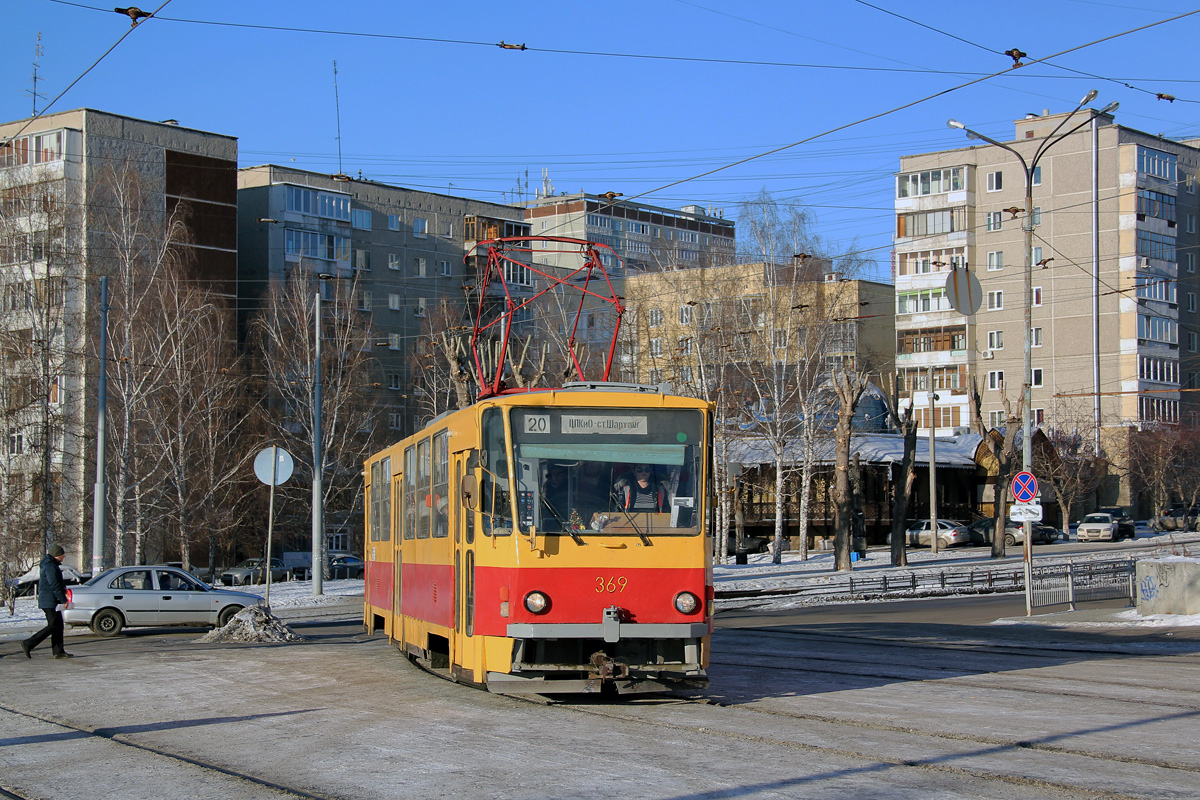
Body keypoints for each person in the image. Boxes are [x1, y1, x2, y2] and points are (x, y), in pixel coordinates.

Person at [21, 545, 73, 659]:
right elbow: (53, 585)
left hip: (51, 600)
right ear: (57, 555)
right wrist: (64, 599)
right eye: (62, 554)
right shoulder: (50, 567)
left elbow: (55, 584)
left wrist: (63, 590)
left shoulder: (51, 565)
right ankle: (28, 643)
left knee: (58, 626)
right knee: (53, 625)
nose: (64, 556)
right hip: (49, 601)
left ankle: (58, 651)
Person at [541, 464, 571, 530]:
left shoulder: (569, 489)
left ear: (564, 476)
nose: (556, 476)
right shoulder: (546, 488)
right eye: (554, 473)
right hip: (548, 522)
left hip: (565, 522)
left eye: (559, 474)